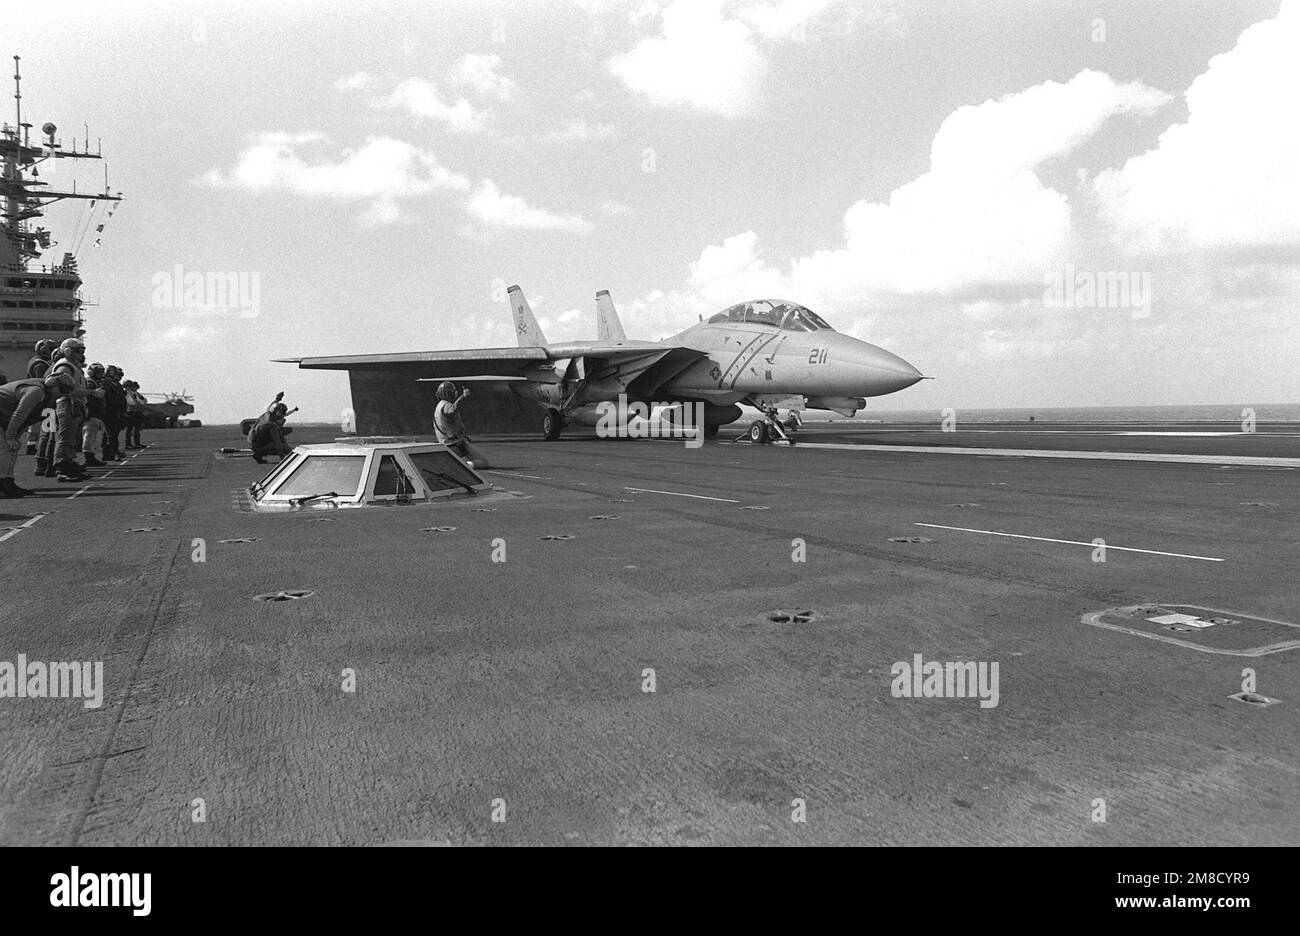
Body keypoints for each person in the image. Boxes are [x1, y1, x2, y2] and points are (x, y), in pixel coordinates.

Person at [1, 373, 70, 498]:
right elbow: (20, 414)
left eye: (67, 391)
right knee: (5, 447)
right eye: (63, 389)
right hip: (4, 415)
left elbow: (28, 418)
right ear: (53, 384)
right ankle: (2, 486)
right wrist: (10, 436)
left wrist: (16, 435)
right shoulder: (36, 391)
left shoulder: (48, 397)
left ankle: (8, 482)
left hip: (4, 416)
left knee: (12, 449)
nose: (63, 393)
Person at [48, 338, 100, 482]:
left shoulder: (72, 366)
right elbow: (66, 389)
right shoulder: (65, 367)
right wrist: (92, 393)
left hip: (74, 404)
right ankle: (62, 468)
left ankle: (69, 466)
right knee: (65, 438)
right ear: (68, 350)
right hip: (68, 403)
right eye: (79, 351)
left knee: (70, 438)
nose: (81, 354)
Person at [433, 381, 490, 469]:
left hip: (446, 444)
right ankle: (464, 466)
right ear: (450, 393)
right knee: (483, 462)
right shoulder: (446, 405)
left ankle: (454, 463)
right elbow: (452, 410)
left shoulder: (439, 406)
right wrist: (463, 397)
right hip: (456, 445)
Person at [82, 362, 107, 466]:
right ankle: (89, 457)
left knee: (92, 435)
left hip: (96, 412)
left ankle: (91, 455)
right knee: (89, 435)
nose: (101, 374)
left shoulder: (96, 381)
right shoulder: (90, 382)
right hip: (91, 412)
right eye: (98, 372)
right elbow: (89, 396)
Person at [101, 365, 127, 461]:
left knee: (112, 433)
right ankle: (114, 451)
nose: (118, 376)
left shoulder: (116, 384)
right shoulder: (106, 383)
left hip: (117, 411)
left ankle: (108, 452)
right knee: (111, 433)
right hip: (109, 411)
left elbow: (121, 398)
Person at [123, 380, 146, 448]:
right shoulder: (125, 393)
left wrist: (139, 401)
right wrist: (138, 401)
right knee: (130, 428)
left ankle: (136, 442)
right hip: (130, 411)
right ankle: (128, 443)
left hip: (136, 411)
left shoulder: (135, 393)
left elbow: (144, 401)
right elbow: (131, 402)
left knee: (137, 428)